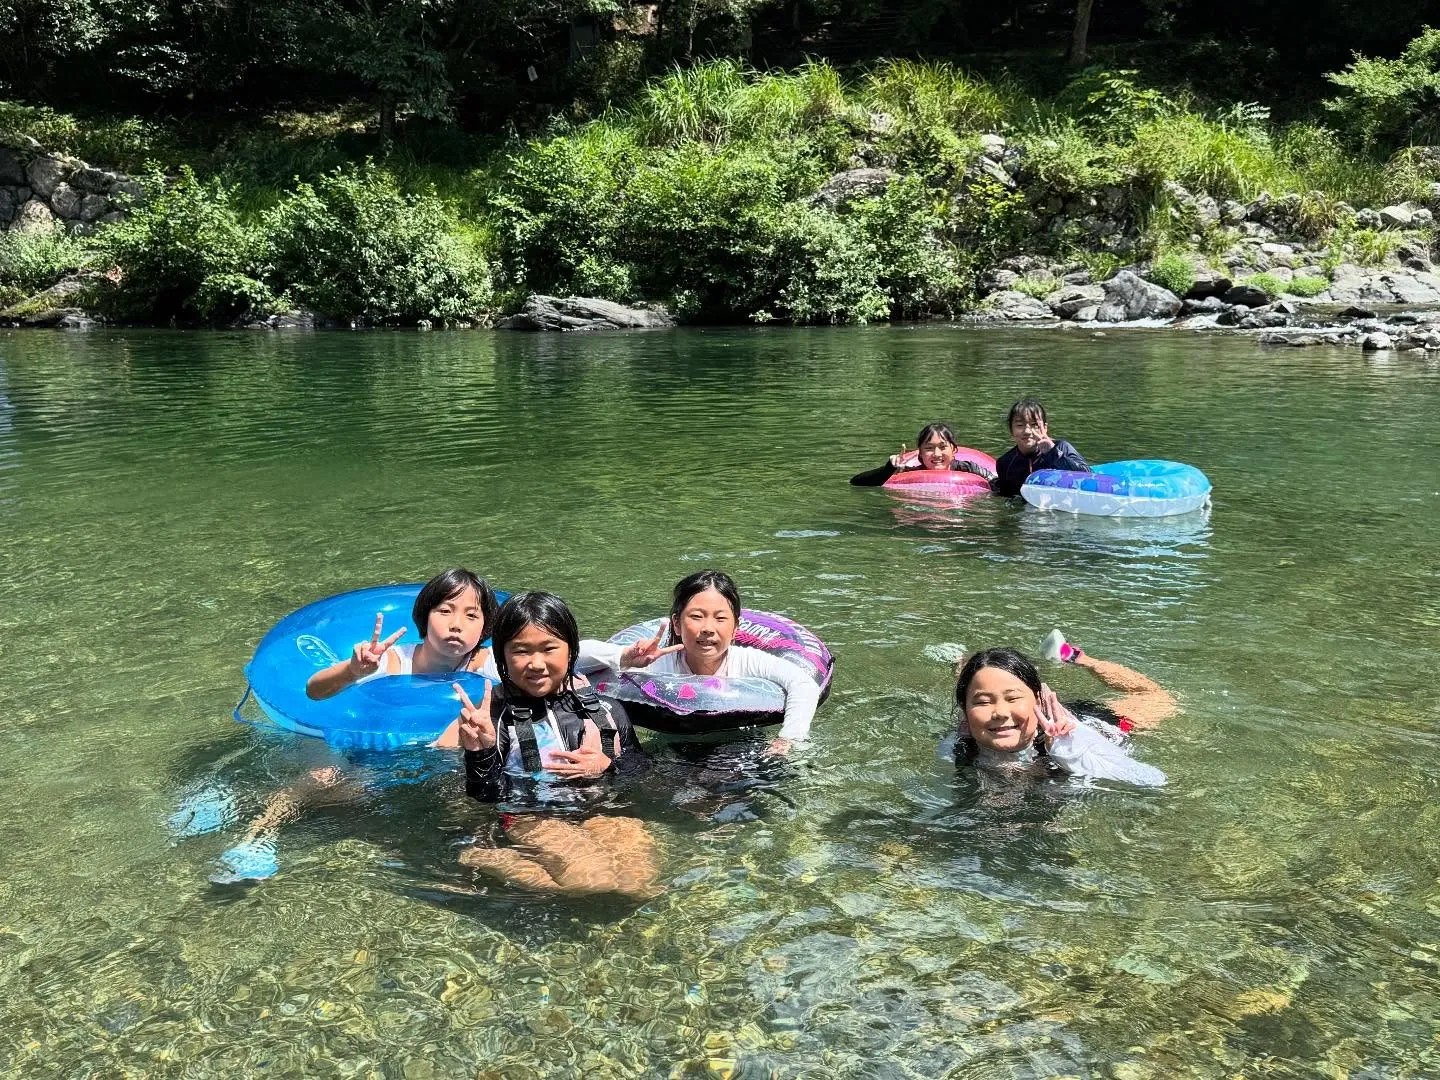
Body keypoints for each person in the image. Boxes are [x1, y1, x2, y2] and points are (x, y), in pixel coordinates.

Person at [209, 568, 499, 883]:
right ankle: (253, 836)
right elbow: (314, 692)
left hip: (434, 758)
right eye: (444, 611)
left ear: (485, 627)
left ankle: (470, 854)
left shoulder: (489, 665)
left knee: (466, 794)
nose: (457, 624)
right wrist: (352, 670)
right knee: (322, 782)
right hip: (367, 751)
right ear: (424, 616)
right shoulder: (389, 660)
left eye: (472, 616)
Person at [455, 591, 660, 899]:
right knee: (593, 882)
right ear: (502, 657)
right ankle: (487, 855)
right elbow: (485, 797)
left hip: (602, 810)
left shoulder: (605, 709)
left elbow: (642, 771)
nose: (536, 663)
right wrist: (480, 752)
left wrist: (609, 766)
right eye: (521, 651)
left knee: (639, 885)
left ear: (571, 651)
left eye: (549, 648)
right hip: (532, 816)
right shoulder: (493, 718)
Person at [580, 569, 821, 757]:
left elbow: (803, 683)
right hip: (672, 741)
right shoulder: (656, 663)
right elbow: (572, 657)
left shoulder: (747, 661)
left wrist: (788, 739)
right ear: (676, 624)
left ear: (736, 627)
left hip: (738, 742)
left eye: (720, 618)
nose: (708, 628)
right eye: (696, 617)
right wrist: (624, 657)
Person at [952, 633, 1174, 776]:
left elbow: (1150, 779)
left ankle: (1076, 657)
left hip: (1091, 725)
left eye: (1012, 698)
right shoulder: (960, 744)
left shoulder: (1072, 740)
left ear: (1038, 700)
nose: (999, 712)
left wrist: (1066, 747)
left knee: (1159, 698)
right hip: (1018, 718)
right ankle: (969, 674)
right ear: (965, 710)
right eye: (982, 701)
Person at [968, 398, 1090, 498]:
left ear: (1045, 428)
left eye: (1034, 425)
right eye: (1020, 425)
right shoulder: (1005, 463)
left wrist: (1052, 452)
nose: (1027, 431)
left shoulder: (1061, 447)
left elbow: (1088, 477)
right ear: (1011, 430)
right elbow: (1006, 497)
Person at [849, 422, 970, 486]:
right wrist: (889, 468)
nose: (937, 454)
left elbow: (990, 480)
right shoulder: (911, 473)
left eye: (943, 447)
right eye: (929, 448)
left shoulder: (967, 469)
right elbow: (856, 482)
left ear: (954, 450)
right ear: (920, 453)